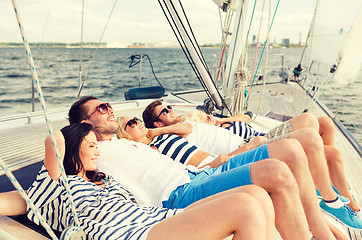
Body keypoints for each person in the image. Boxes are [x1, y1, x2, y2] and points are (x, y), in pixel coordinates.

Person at [69, 96, 341, 239]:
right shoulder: (91, 153)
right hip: (179, 194)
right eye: (101, 108)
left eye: (107, 105)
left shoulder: (128, 143)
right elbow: (59, 164)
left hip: (198, 175)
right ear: (83, 125)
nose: (110, 109)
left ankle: (324, 224)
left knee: (291, 150)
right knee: (276, 172)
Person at [0, 123, 276, 240]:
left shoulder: (104, 179)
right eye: (91, 145)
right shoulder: (52, 186)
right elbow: (54, 140)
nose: (98, 151)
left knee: (256, 194)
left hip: (153, 219)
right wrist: (74, 136)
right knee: (244, 207)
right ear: (73, 148)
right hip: (128, 235)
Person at [142, 100, 362, 230]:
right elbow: (210, 160)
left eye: (170, 107)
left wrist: (219, 121)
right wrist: (153, 132)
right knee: (314, 129)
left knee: (325, 131)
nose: (171, 110)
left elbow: (246, 116)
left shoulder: (202, 122)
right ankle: (332, 199)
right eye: (165, 111)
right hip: (252, 146)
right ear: (158, 122)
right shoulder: (181, 130)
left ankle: (338, 197)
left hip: (257, 139)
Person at [182, 108, 362, 219]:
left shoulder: (226, 124)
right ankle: (333, 194)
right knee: (311, 125)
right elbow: (221, 160)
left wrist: (223, 120)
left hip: (261, 136)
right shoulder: (206, 133)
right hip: (251, 147)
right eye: (205, 117)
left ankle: (325, 184)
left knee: (326, 124)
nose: (211, 117)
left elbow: (247, 116)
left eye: (209, 115)